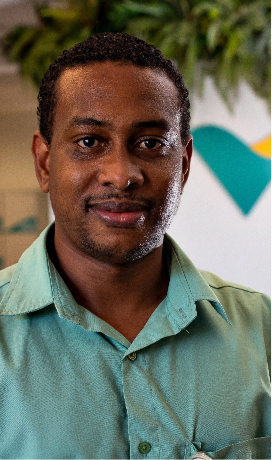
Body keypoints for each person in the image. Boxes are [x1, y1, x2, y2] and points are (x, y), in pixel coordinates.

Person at [0, 33, 271, 460]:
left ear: (182, 165)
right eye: (90, 142)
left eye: (149, 144)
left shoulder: (262, 329)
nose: (122, 174)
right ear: (45, 162)